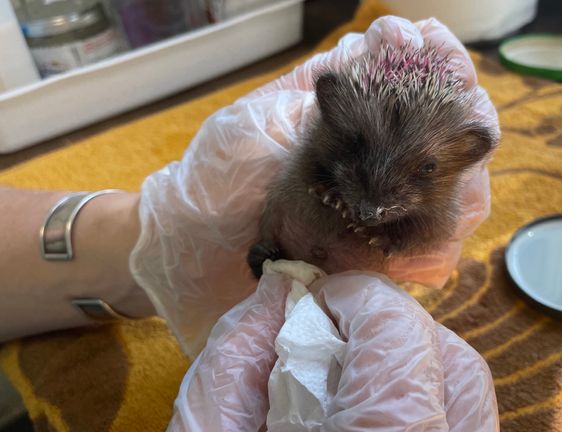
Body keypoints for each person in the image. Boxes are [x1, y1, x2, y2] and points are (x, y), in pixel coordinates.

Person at [0, 16, 500, 431]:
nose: (374, 202)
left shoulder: (432, 184)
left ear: (465, 156)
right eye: (355, 149)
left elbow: (423, 228)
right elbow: (309, 174)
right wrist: (160, 229)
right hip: (279, 252)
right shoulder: (312, 148)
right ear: (328, 111)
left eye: (425, 171)